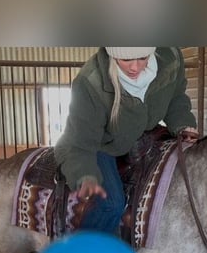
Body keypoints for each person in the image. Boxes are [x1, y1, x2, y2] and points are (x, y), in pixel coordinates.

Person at [54, 47, 198, 233]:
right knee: (111, 204)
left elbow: (176, 97)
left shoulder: (171, 59)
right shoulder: (90, 82)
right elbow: (81, 142)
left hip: (141, 134)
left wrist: (183, 124)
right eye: (125, 60)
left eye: (142, 58)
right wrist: (85, 174)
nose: (135, 67)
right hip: (100, 144)